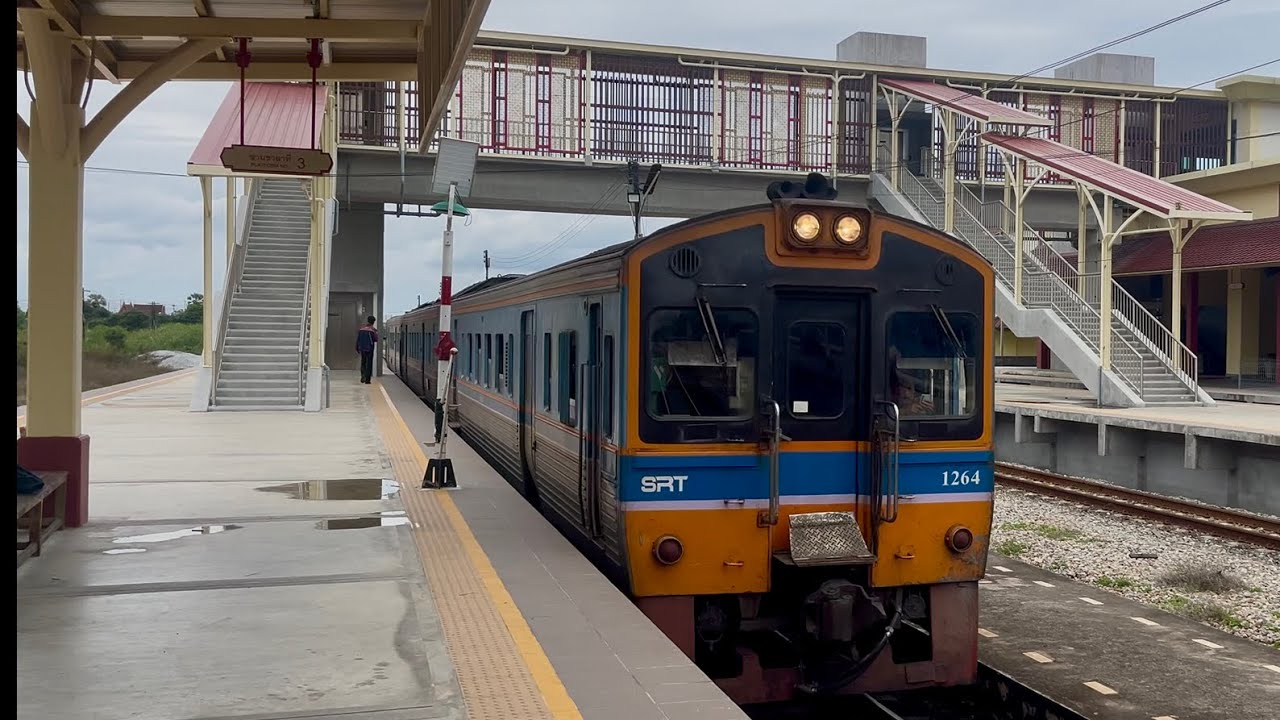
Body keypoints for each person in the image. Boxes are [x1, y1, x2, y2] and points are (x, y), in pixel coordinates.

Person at [357, 316, 379, 384]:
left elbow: (358, 339)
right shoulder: (373, 330)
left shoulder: (361, 329)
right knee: (369, 363)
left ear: (367, 320)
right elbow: (376, 339)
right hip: (370, 349)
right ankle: (367, 380)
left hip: (362, 348)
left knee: (363, 362)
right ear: (373, 322)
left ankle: (363, 375)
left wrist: (357, 348)